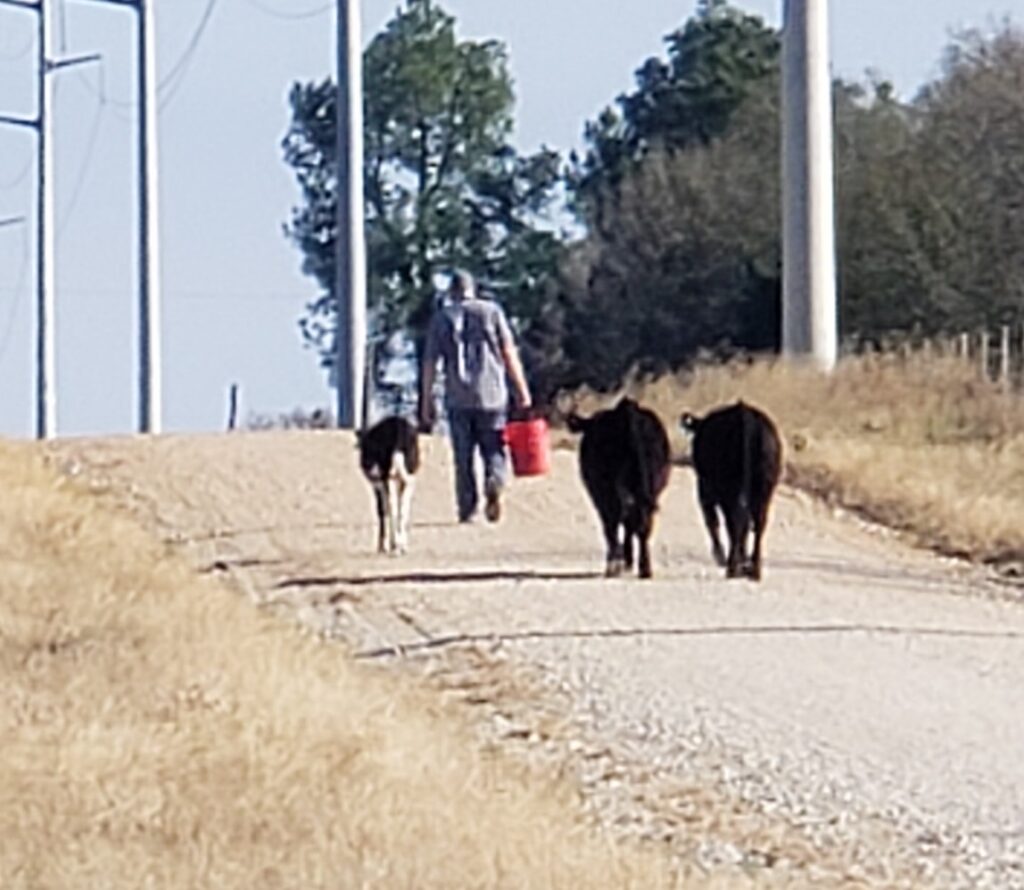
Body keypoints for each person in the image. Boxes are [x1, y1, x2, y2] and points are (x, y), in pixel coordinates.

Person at [419, 269, 532, 523]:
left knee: (463, 456)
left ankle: (467, 510)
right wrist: (522, 390)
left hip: (457, 396)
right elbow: (508, 352)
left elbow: (430, 363)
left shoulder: (441, 319)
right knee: (494, 448)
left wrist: (426, 400)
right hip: (492, 394)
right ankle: (495, 480)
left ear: (451, 292)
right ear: (473, 289)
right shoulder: (491, 312)